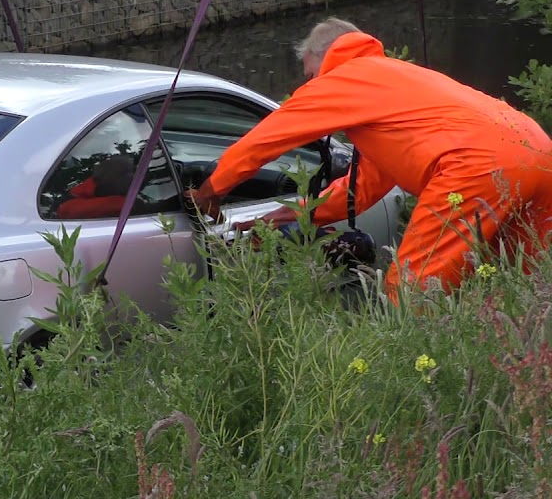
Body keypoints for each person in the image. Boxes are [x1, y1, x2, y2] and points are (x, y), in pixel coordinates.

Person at [186, 17, 552, 303]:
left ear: (320, 59)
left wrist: (210, 190)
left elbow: (266, 139)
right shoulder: (393, 80)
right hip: (538, 152)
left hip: (476, 166)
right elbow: (365, 184)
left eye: (309, 76)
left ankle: (415, 381)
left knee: (414, 289)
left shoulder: (344, 78)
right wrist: (302, 211)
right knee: (524, 287)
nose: (309, 84)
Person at [57, 154, 136, 219]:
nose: (132, 177)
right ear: (106, 176)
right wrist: (132, 204)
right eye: (124, 173)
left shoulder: (104, 190)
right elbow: (68, 210)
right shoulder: (74, 199)